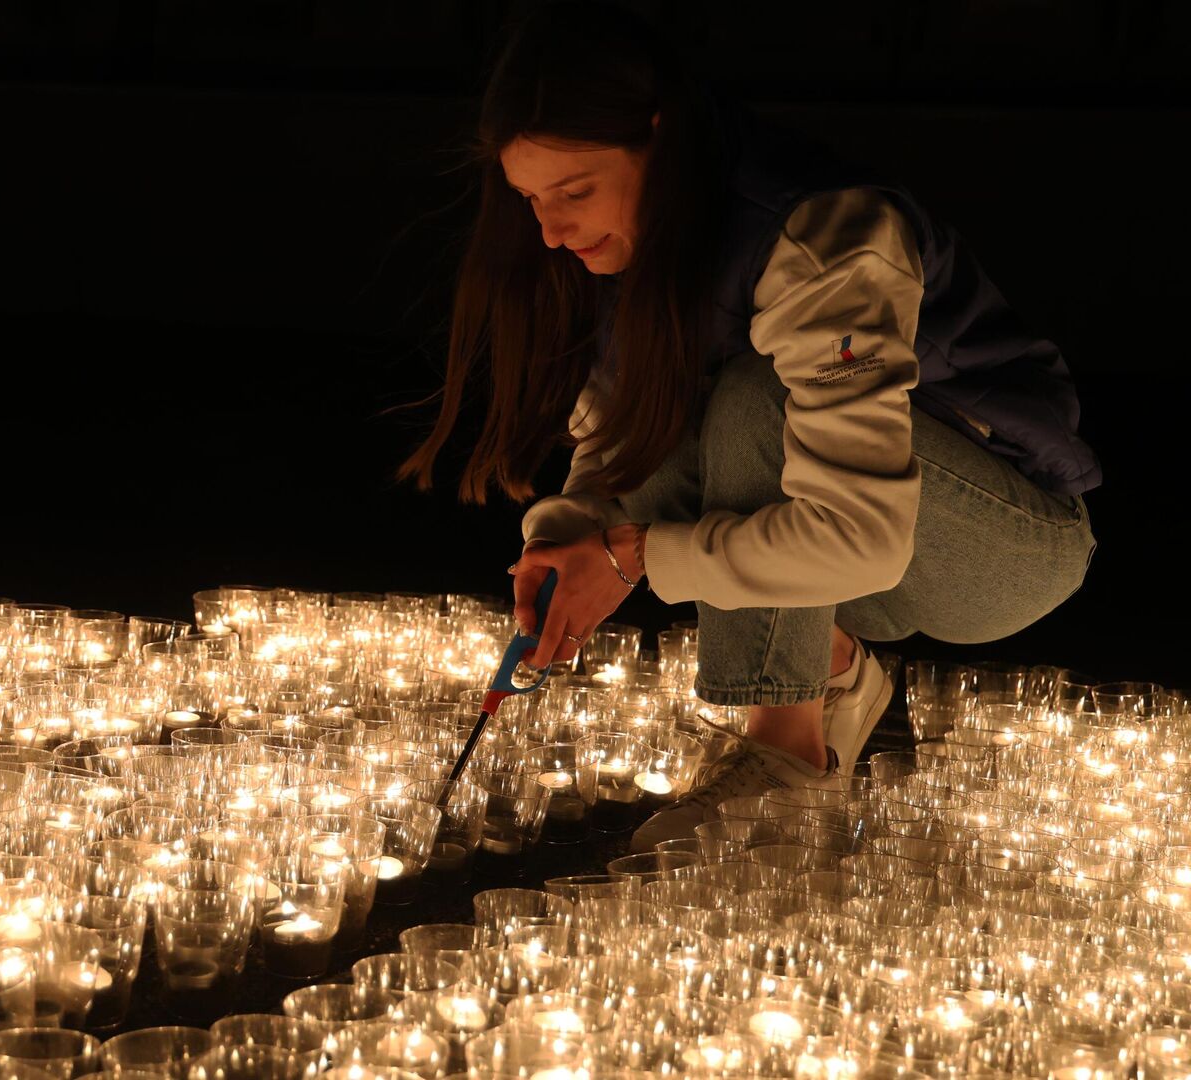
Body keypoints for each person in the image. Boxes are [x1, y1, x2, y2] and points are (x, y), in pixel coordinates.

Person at [398, 2, 1099, 852]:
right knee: (662, 434)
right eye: (530, 200)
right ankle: (833, 667)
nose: (550, 229)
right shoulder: (609, 256)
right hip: (858, 563)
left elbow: (863, 537)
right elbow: (614, 444)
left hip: (998, 547)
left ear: (660, 139)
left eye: (574, 191)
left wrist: (631, 555)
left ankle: (786, 750)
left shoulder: (823, 237)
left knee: (754, 400)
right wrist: (575, 538)